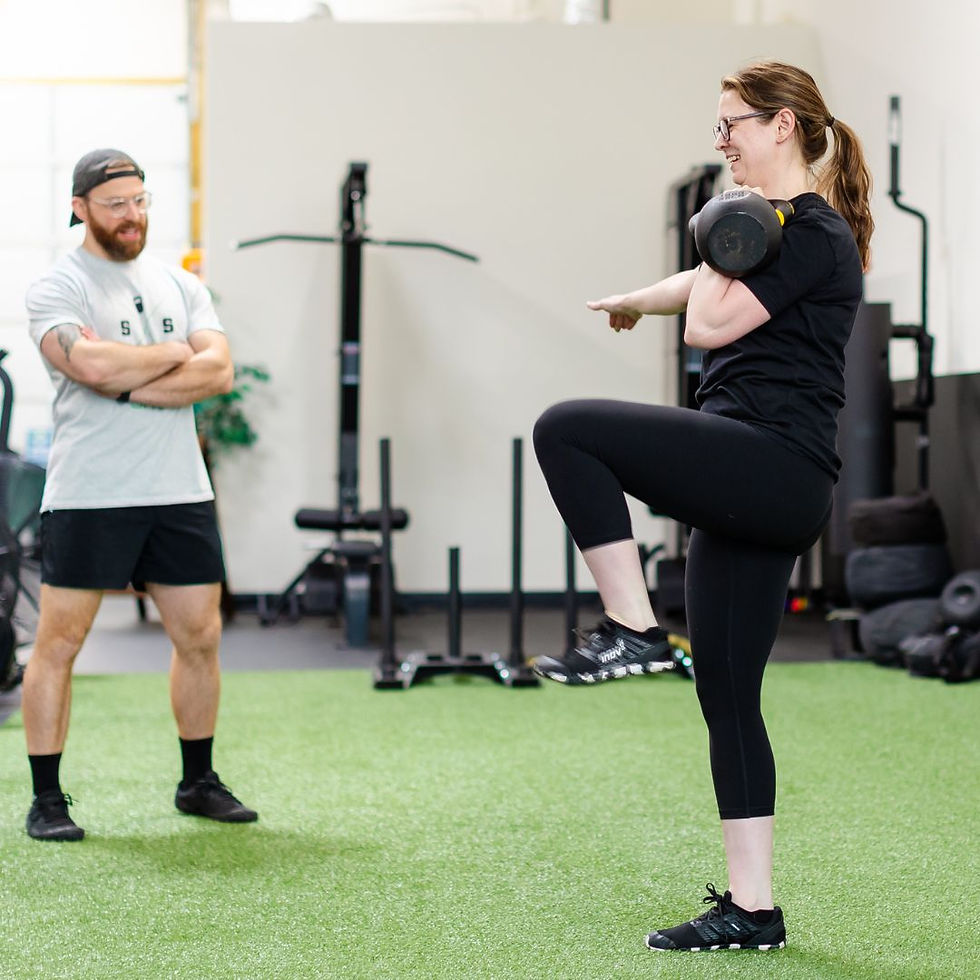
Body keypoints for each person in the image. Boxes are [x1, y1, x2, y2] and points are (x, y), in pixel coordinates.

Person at [531, 62, 872, 951]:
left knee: (567, 429)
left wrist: (713, 249)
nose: (721, 141)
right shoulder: (772, 226)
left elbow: (710, 324)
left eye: (734, 125)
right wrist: (639, 299)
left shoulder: (811, 232)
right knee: (728, 694)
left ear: (785, 125)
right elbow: (694, 290)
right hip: (754, 477)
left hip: (774, 464)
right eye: (718, 126)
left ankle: (632, 627)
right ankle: (754, 912)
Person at [22, 148, 258, 841]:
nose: (133, 215)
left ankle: (198, 782)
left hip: (178, 488)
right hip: (90, 489)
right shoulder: (58, 287)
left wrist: (124, 378)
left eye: (140, 200)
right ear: (81, 209)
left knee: (200, 635)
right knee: (60, 641)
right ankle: (47, 799)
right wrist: (170, 355)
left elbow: (218, 372)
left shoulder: (177, 284)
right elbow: (85, 361)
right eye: (117, 203)